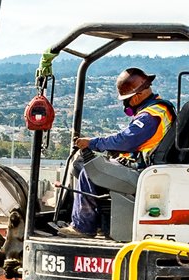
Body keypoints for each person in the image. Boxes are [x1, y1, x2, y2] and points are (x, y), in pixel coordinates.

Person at [66, 67, 178, 235]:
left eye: (127, 99)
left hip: (141, 171)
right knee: (83, 165)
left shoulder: (150, 116)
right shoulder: (159, 109)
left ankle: (83, 227)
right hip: (147, 168)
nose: (125, 104)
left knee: (89, 171)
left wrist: (92, 143)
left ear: (139, 95)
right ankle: (98, 222)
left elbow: (125, 140)